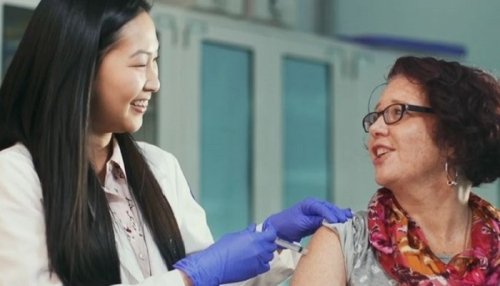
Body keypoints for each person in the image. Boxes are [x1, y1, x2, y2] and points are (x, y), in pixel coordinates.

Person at [0, 0, 353, 285]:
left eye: (156, 62)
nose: (155, 82)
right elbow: (196, 277)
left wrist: (271, 237)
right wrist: (189, 277)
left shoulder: (158, 168)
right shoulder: (14, 178)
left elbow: (215, 276)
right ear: (80, 67)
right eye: (140, 64)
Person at [291, 56, 500, 285]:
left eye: (397, 112)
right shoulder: (344, 244)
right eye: (377, 116)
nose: (375, 128)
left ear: (452, 137)